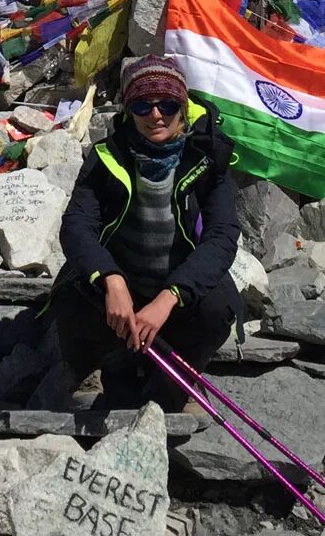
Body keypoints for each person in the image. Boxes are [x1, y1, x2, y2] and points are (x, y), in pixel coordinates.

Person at [47, 54, 242, 410]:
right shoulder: (106, 155)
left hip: (176, 288)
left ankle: (166, 394)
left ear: (182, 108)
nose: (156, 115)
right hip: (122, 281)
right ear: (128, 109)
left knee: (217, 309)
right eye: (142, 105)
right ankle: (104, 366)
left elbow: (223, 236)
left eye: (167, 104)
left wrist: (170, 297)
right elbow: (77, 225)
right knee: (71, 298)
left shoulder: (209, 157)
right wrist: (111, 279)